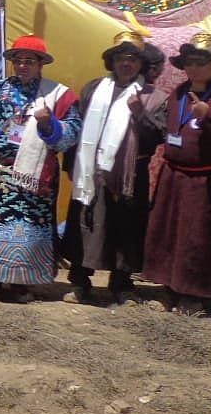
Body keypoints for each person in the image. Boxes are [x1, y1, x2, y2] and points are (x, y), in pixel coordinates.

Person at [144, 34, 211, 315]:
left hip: (207, 181)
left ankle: (195, 294)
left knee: (198, 237)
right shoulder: (178, 93)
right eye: (190, 61)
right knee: (168, 233)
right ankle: (168, 288)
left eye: (201, 61)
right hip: (173, 175)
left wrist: (209, 117)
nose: (194, 67)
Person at [0, 35, 82, 303]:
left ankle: (24, 284)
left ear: (40, 64)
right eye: (18, 61)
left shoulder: (57, 94)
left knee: (31, 228)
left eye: (29, 61)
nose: (23, 66)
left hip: (38, 174)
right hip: (1, 172)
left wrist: (48, 125)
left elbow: (73, 131)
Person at [63, 32, 168, 306]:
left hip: (129, 175)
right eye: (121, 58)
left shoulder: (153, 97)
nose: (126, 64)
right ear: (112, 61)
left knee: (126, 228)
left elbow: (158, 138)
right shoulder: (93, 89)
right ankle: (80, 281)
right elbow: (78, 126)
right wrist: (72, 165)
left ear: (141, 65)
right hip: (92, 172)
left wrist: (139, 115)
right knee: (86, 225)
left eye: (132, 59)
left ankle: (121, 284)